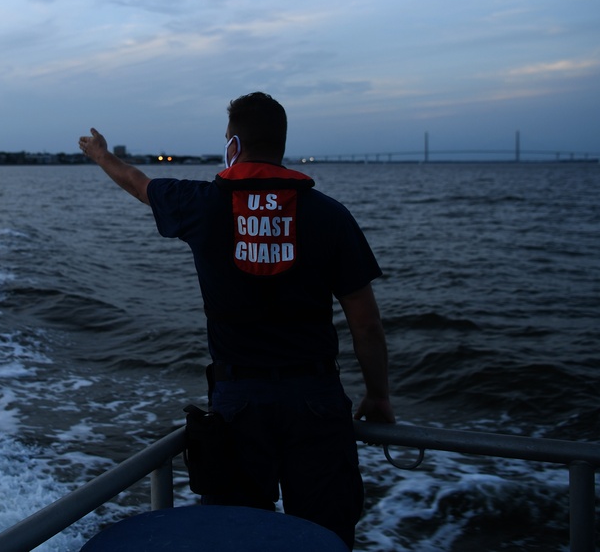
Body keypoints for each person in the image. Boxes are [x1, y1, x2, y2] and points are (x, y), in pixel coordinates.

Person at [78, 92, 394, 550]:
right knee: (326, 536)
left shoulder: (202, 203)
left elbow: (136, 182)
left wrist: (101, 155)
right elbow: (366, 324)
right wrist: (379, 395)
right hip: (318, 402)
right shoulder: (329, 214)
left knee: (236, 538)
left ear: (234, 143)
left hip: (238, 402)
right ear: (281, 144)